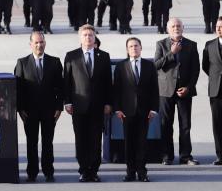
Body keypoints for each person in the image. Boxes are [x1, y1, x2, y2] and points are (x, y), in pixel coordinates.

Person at [63, 24, 112, 182]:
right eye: (85, 35)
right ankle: (84, 170)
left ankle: (94, 170)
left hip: (98, 106)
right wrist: (67, 102)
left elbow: (107, 83)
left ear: (94, 37)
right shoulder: (71, 56)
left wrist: (108, 103)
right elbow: (67, 82)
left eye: (91, 35)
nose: (88, 38)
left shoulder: (103, 56)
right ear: (80, 38)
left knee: (96, 139)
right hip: (79, 105)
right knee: (81, 139)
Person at [14, 31, 63, 182]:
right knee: (32, 142)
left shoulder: (54, 62)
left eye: (41, 42)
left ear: (45, 43)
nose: (39, 45)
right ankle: (32, 171)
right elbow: (18, 88)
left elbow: (60, 87)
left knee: (48, 142)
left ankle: (48, 170)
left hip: (49, 110)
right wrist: (20, 109)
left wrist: (59, 107)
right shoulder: (22, 62)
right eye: (36, 42)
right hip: (29, 111)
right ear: (30, 44)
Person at [154, 17, 200, 165]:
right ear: (168, 29)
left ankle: (185, 156)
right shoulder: (161, 44)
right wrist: (171, 53)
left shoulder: (191, 45)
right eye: (173, 26)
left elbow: (196, 69)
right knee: (165, 124)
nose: (176, 28)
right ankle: (167, 156)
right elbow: (156, 65)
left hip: (184, 91)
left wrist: (189, 87)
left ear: (183, 28)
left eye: (178, 26)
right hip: (166, 91)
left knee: (185, 125)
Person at [114, 37, 158, 182]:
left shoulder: (149, 65)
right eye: (131, 46)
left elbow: (154, 89)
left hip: (145, 112)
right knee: (129, 143)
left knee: (142, 143)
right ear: (127, 49)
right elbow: (117, 89)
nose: (134, 48)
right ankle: (130, 172)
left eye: (136, 46)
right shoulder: (121, 66)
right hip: (126, 112)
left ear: (141, 48)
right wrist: (117, 109)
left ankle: (142, 172)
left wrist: (153, 109)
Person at [201, 17, 222, 165]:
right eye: (217, 26)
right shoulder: (209, 45)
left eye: (221, 26)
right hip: (216, 90)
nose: (219, 29)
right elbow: (205, 66)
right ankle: (220, 155)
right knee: (218, 124)